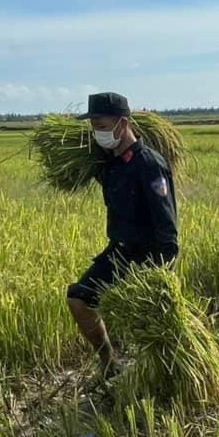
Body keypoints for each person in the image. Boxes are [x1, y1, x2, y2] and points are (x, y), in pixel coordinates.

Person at [66, 92, 179, 374]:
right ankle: (108, 363)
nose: (97, 132)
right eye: (93, 126)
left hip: (148, 253)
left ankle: (162, 372)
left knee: (150, 323)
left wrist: (163, 271)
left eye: (101, 126)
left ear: (122, 123)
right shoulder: (109, 164)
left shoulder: (149, 164)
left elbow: (166, 223)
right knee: (78, 299)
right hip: (119, 251)